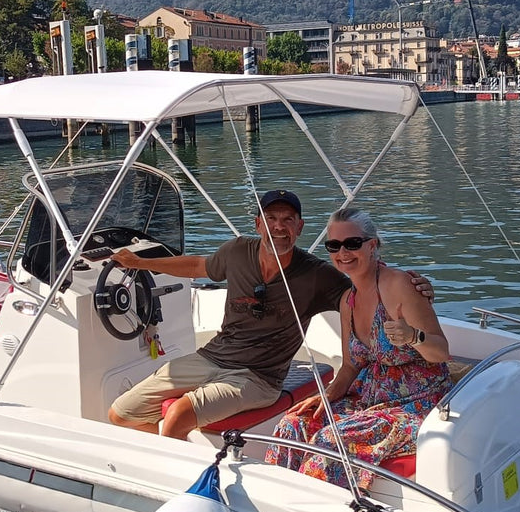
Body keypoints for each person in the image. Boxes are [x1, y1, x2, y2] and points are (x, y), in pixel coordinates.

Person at [106, 190, 433, 440]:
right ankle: (165, 462)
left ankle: (171, 492)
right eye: (272, 219)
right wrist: (139, 262)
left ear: (300, 227)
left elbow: (363, 292)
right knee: (121, 413)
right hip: (211, 358)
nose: (279, 227)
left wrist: (413, 288)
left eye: (288, 220)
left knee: (177, 413)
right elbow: (197, 266)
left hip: (259, 378)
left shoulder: (316, 275)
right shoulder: (236, 252)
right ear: (258, 223)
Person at [266, 206, 455, 490]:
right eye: (334, 245)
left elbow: (441, 352)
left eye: (352, 243)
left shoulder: (400, 285)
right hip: (369, 398)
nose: (343, 252)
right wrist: (326, 396)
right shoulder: (347, 302)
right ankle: (276, 500)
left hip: (417, 403)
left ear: (372, 245)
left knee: (330, 440)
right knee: (292, 424)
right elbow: (351, 365)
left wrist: (413, 336)